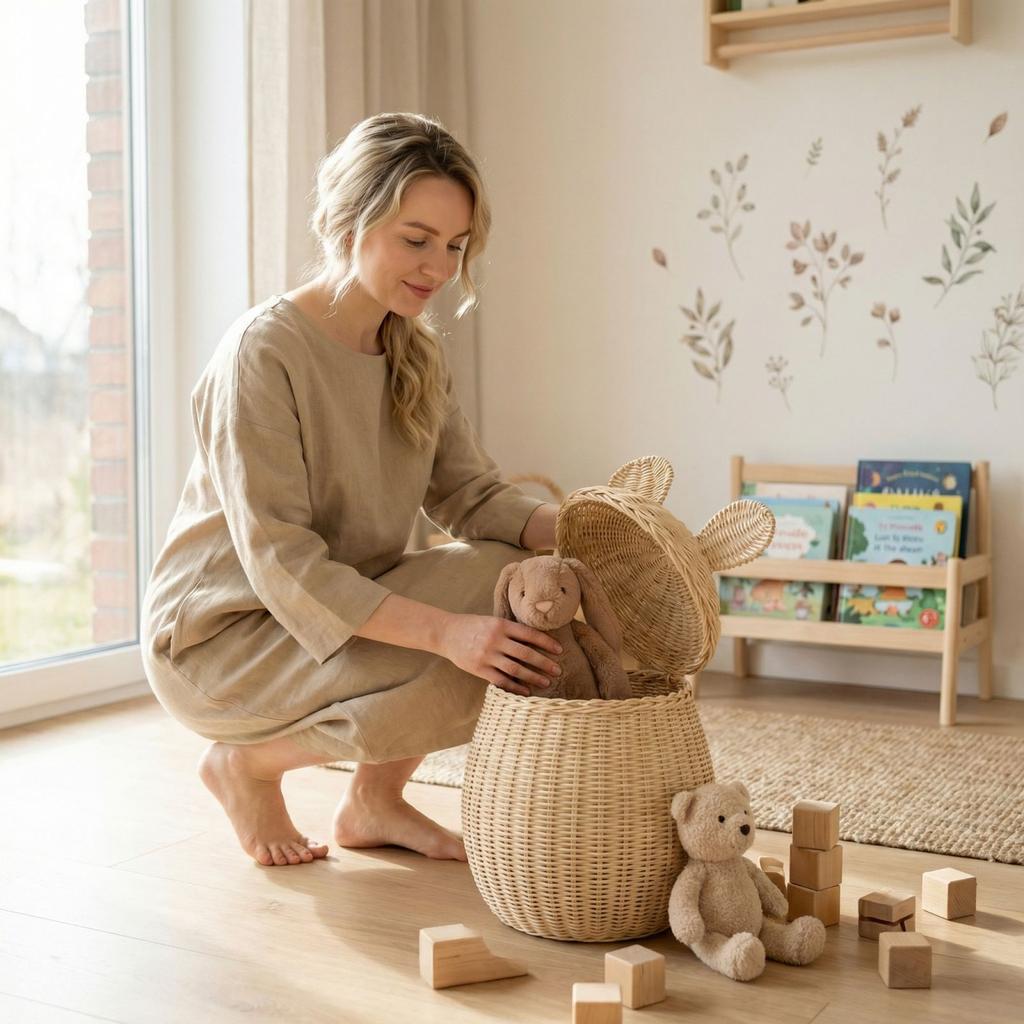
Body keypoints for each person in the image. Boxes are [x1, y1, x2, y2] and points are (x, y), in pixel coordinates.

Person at [140, 112, 563, 869]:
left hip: (337, 606)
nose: (438, 267)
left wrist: (586, 532)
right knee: (469, 639)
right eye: (416, 239)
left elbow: (472, 495)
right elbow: (285, 567)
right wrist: (444, 632)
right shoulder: (261, 354)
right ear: (351, 219)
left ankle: (373, 803)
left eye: (455, 246)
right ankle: (247, 763)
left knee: (517, 587)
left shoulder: (415, 349)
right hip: (222, 642)